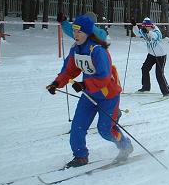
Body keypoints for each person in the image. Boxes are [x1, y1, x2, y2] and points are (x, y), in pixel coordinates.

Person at [46, 15, 133, 168]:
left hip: (108, 96)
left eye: (79, 32)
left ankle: (125, 145)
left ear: (87, 32)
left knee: (105, 131)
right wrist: (56, 83)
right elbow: (68, 70)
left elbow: (104, 77)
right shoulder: (76, 48)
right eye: (74, 31)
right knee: (77, 126)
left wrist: (84, 84)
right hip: (89, 94)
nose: (75, 35)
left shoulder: (98, 50)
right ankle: (81, 157)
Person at [132, 17, 169, 97]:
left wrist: (148, 32)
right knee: (145, 68)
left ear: (150, 25)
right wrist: (134, 25)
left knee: (159, 74)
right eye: (143, 26)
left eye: (146, 26)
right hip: (151, 54)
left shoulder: (156, 30)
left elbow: (155, 36)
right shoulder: (144, 30)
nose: (144, 27)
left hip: (160, 55)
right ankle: (146, 87)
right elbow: (137, 33)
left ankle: (166, 92)